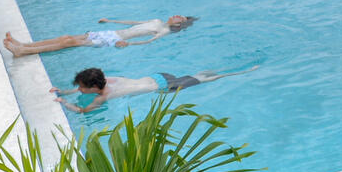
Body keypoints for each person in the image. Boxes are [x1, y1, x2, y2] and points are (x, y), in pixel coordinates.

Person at [52, 64, 258, 113]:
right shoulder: (108, 79)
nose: (78, 88)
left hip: (167, 86)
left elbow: (82, 111)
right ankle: (221, 69)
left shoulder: (102, 97)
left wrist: (64, 102)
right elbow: (80, 90)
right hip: (159, 76)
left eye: (81, 86)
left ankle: (236, 73)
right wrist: (62, 91)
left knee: (203, 80)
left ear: (94, 87)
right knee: (198, 75)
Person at [4, 15, 197, 58]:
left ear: (179, 23)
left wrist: (127, 45)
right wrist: (110, 21)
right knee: (67, 37)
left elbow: (148, 40)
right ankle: (25, 45)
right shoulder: (157, 21)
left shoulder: (163, 31)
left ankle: (22, 52)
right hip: (112, 32)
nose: (175, 15)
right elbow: (133, 23)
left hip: (114, 40)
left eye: (179, 17)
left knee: (69, 42)